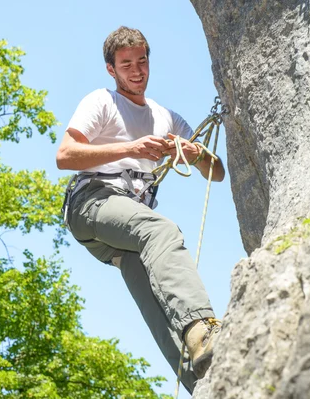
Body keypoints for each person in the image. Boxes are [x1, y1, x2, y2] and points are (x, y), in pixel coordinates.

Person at [55, 26, 225, 393]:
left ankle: (203, 382)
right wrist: (130, 148)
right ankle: (203, 329)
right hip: (92, 201)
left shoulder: (166, 118)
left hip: (122, 230)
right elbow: (65, 155)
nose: (136, 70)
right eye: (126, 64)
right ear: (111, 70)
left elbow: (218, 173)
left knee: (151, 293)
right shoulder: (102, 102)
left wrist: (196, 155)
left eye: (142, 61)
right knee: (160, 230)